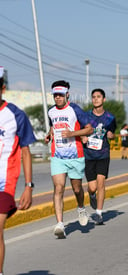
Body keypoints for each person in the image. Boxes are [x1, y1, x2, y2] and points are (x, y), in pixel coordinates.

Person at [45, 80, 93, 238]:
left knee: (77, 189)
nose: (57, 98)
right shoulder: (51, 111)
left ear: (67, 94)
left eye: (60, 95)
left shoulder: (75, 110)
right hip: (57, 155)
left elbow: (89, 129)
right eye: (55, 95)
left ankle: (81, 208)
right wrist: (49, 134)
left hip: (75, 155)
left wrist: (72, 134)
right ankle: (60, 224)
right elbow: (53, 126)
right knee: (58, 188)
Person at [0, 66, 35, 274]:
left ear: (2, 89)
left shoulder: (15, 115)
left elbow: (25, 151)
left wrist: (29, 186)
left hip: (5, 182)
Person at [82, 88, 116, 225]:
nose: (96, 99)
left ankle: (99, 214)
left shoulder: (110, 118)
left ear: (104, 99)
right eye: (94, 97)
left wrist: (111, 135)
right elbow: (79, 130)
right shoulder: (85, 116)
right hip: (89, 155)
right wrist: (83, 136)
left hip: (103, 154)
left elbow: (113, 133)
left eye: (98, 97)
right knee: (92, 187)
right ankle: (91, 195)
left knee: (101, 183)